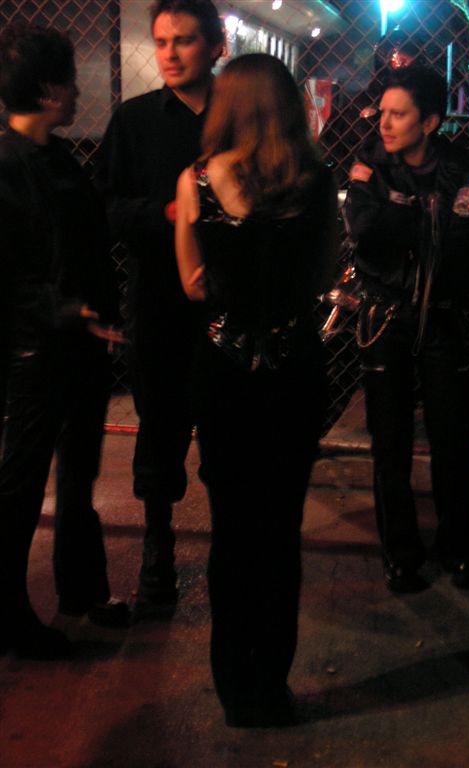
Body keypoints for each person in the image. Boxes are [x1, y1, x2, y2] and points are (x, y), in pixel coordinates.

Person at [175, 53, 337, 727]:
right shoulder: (315, 182)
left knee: (232, 529)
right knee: (280, 530)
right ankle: (271, 683)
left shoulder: (197, 180)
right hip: (293, 370)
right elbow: (324, 273)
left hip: (225, 372)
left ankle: (233, 684)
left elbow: (192, 286)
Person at [343, 63, 469, 594]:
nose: (384, 124)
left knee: (453, 438)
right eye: (383, 112)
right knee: (389, 441)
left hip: (443, 314)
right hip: (386, 314)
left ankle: (458, 549)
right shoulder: (370, 163)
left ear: (430, 121)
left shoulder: (467, 166)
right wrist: (428, 213)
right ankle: (401, 555)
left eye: (398, 114)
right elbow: (364, 230)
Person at [0, 21, 128, 659]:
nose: (78, 93)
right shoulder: (11, 167)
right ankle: (11, 617)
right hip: (38, 353)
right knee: (22, 487)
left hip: (77, 345)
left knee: (78, 478)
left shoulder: (54, 158)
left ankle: (82, 590)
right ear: (51, 90)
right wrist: (68, 310)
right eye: (71, 82)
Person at [95, 0, 224, 621]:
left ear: (216, 45)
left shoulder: (238, 116)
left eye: (185, 40)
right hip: (158, 301)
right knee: (160, 426)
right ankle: (158, 549)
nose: (170, 54)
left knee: (228, 426)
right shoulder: (135, 120)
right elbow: (106, 208)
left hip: (227, 302)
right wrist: (168, 214)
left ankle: (231, 551)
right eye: (162, 41)